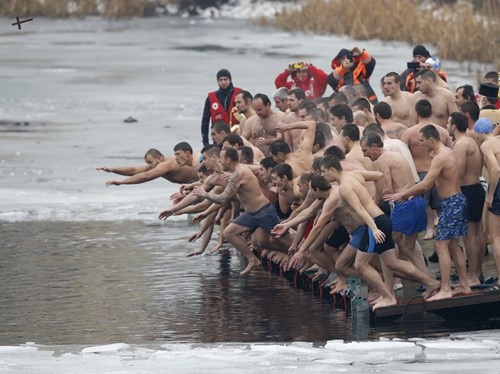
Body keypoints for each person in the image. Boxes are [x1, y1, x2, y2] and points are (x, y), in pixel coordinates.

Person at [320, 155, 440, 309]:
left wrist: (374, 228)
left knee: (360, 264)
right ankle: (432, 283)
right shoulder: (354, 175)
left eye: (324, 172)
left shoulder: (344, 187)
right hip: (381, 219)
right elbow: (379, 176)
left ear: (333, 169)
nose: (323, 175)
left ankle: (388, 297)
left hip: (375, 223)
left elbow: (360, 209)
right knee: (392, 262)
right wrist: (377, 199)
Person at [386, 124, 471, 301]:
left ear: (431, 140)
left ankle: (446, 289)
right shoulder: (447, 152)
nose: (421, 144)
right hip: (456, 200)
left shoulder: (440, 157)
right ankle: (464, 284)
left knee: (441, 246)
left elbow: (426, 185)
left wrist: (403, 194)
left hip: (451, 203)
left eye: (423, 141)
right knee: (454, 245)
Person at [193, 147, 293, 275]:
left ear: (228, 160)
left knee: (286, 240)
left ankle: (305, 257)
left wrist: (204, 194)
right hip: (251, 215)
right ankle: (252, 259)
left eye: (221, 159)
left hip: (264, 212)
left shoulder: (238, 174)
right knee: (228, 232)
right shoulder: (236, 170)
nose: (220, 161)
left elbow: (223, 198)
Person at [360, 133, 428, 277]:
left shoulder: (382, 160)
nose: (365, 155)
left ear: (374, 147)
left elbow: (387, 190)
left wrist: (372, 203)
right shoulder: (396, 155)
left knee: (385, 248)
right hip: (417, 201)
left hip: (404, 205)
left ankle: (390, 290)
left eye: (365, 151)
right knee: (409, 247)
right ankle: (427, 281)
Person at [401, 99, 453, 240]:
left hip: (420, 173)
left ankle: (430, 228)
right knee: (439, 205)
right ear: (431, 112)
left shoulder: (409, 133)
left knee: (426, 205)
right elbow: (451, 152)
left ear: (417, 113)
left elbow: (403, 156)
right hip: (439, 173)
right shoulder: (441, 131)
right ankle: (444, 228)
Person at [448, 112, 485, 287]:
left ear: (454, 126)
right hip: (477, 188)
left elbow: (459, 172)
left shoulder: (461, 144)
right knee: (478, 233)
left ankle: (473, 276)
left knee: (469, 236)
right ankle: (478, 272)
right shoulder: (472, 141)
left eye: (449, 123)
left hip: (468, 190)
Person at [474, 117, 500, 285]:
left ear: (481, 133)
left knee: (495, 236)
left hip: (499, 188)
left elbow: (496, 169)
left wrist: (490, 194)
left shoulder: (486, 145)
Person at [97, 143, 198, 186]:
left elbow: (146, 176)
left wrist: (121, 182)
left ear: (159, 158)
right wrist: (112, 169)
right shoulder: (156, 165)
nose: (149, 166)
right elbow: (134, 170)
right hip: (190, 185)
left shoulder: (165, 165)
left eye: (150, 162)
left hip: (201, 180)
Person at [201, 69, 241, 147]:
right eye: (220, 80)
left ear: (230, 79)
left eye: (225, 79)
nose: (223, 82)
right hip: (218, 140)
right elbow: (205, 122)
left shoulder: (239, 93)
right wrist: (205, 142)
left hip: (237, 137)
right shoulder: (210, 98)